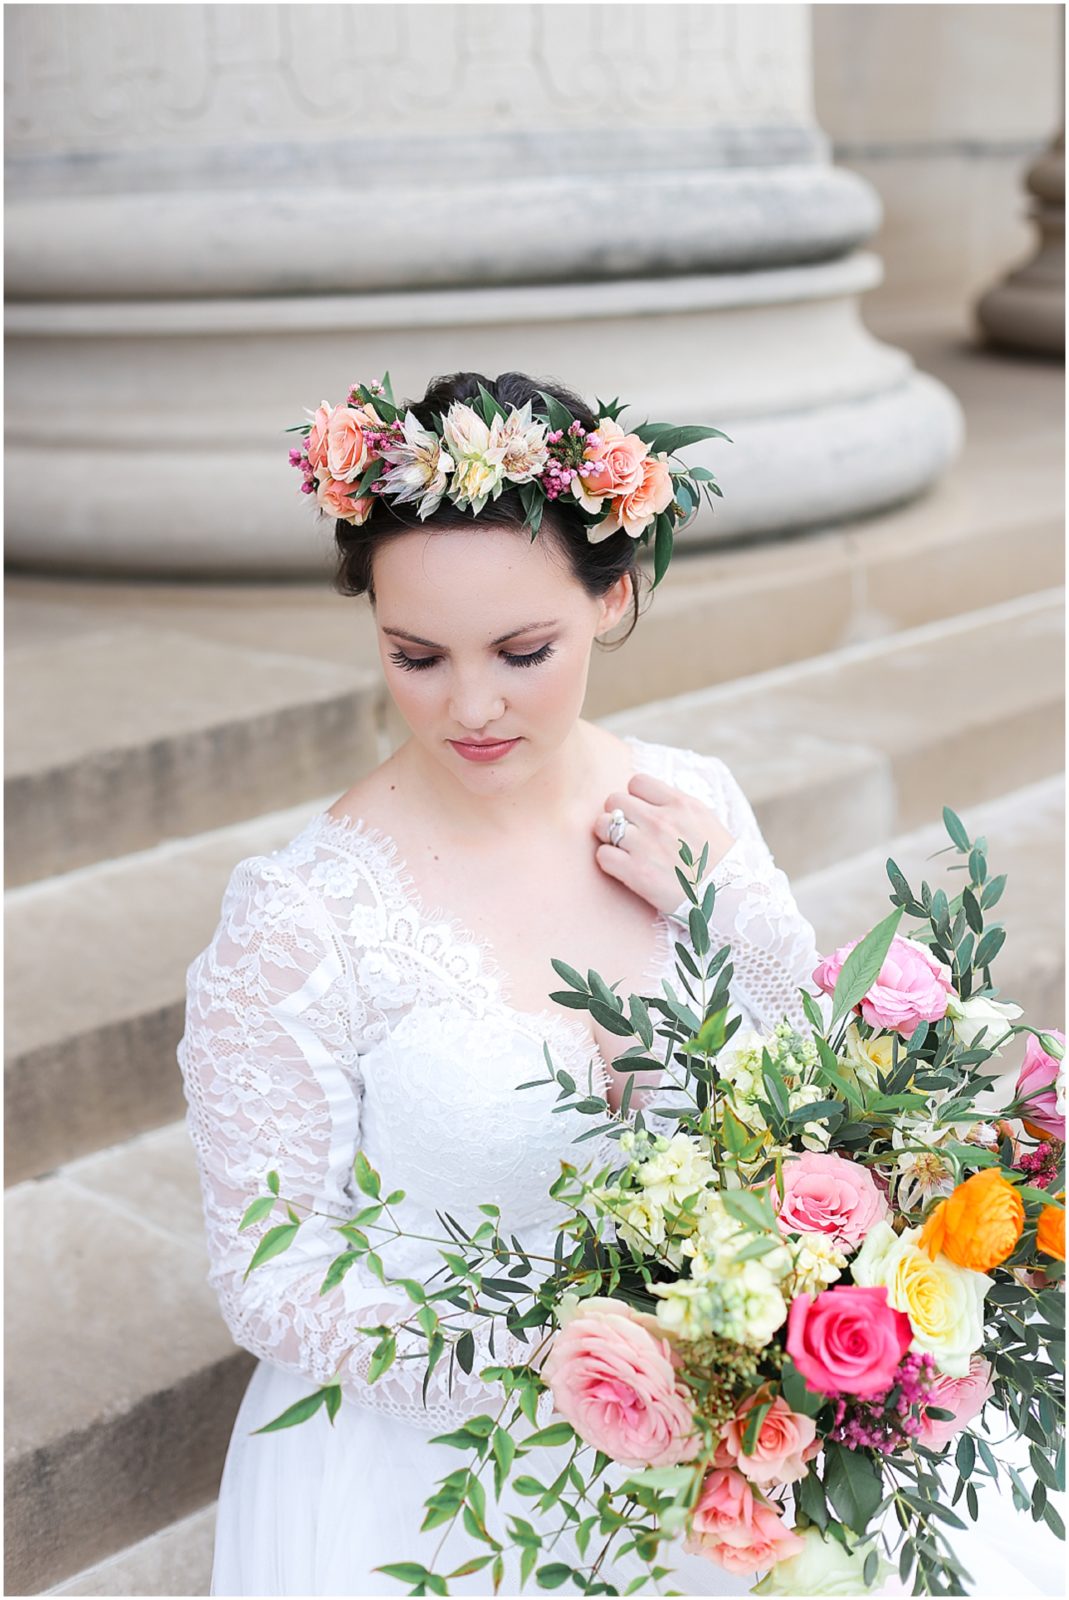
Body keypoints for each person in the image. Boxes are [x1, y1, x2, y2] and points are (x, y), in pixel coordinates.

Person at [176, 372, 1047, 1597]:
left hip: (732, 1453)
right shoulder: (299, 919)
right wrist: (571, 1359)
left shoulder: (688, 802)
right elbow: (270, 1274)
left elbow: (802, 1096)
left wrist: (738, 908)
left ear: (615, 596)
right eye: (414, 656)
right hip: (449, 1482)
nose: (468, 706)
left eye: (523, 652)